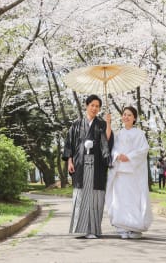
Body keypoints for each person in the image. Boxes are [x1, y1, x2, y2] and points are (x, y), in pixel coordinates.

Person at [62, 94, 112, 239]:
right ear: (86, 105)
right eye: (92, 105)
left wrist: (108, 123)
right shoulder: (76, 124)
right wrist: (70, 161)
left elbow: (106, 141)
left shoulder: (102, 124)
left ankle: (93, 230)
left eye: (97, 106)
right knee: (81, 194)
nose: (95, 108)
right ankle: (81, 229)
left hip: (97, 166)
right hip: (80, 164)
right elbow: (69, 144)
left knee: (95, 197)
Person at [105, 106, 152, 239]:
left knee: (133, 199)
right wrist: (117, 155)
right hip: (120, 172)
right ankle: (122, 227)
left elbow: (143, 150)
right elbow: (112, 149)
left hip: (133, 173)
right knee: (121, 199)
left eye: (129, 115)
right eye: (124, 114)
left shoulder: (139, 134)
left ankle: (135, 227)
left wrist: (130, 156)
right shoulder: (118, 134)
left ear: (134, 118)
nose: (126, 117)